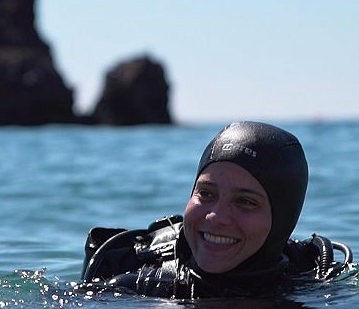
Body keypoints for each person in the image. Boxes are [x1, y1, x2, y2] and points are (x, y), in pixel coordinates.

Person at [81, 121, 352, 298]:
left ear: (282, 219)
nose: (216, 217)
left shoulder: (319, 286)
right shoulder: (136, 292)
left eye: (245, 202)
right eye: (206, 194)